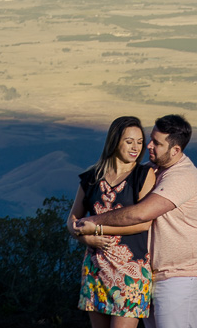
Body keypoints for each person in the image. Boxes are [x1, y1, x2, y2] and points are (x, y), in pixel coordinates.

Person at [73, 114, 197, 328]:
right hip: (154, 273)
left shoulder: (182, 177)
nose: (148, 146)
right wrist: (84, 235)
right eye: (150, 139)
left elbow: (139, 214)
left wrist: (94, 224)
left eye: (156, 143)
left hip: (181, 275)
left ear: (175, 150)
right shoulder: (151, 170)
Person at [68, 115, 157, 328]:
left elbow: (145, 223)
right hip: (96, 270)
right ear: (115, 141)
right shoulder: (91, 178)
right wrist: (86, 239)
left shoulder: (144, 175)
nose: (136, 147)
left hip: (131, 274)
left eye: (139, 142)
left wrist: (97, 229)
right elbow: (72, 220)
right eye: (129, 141)